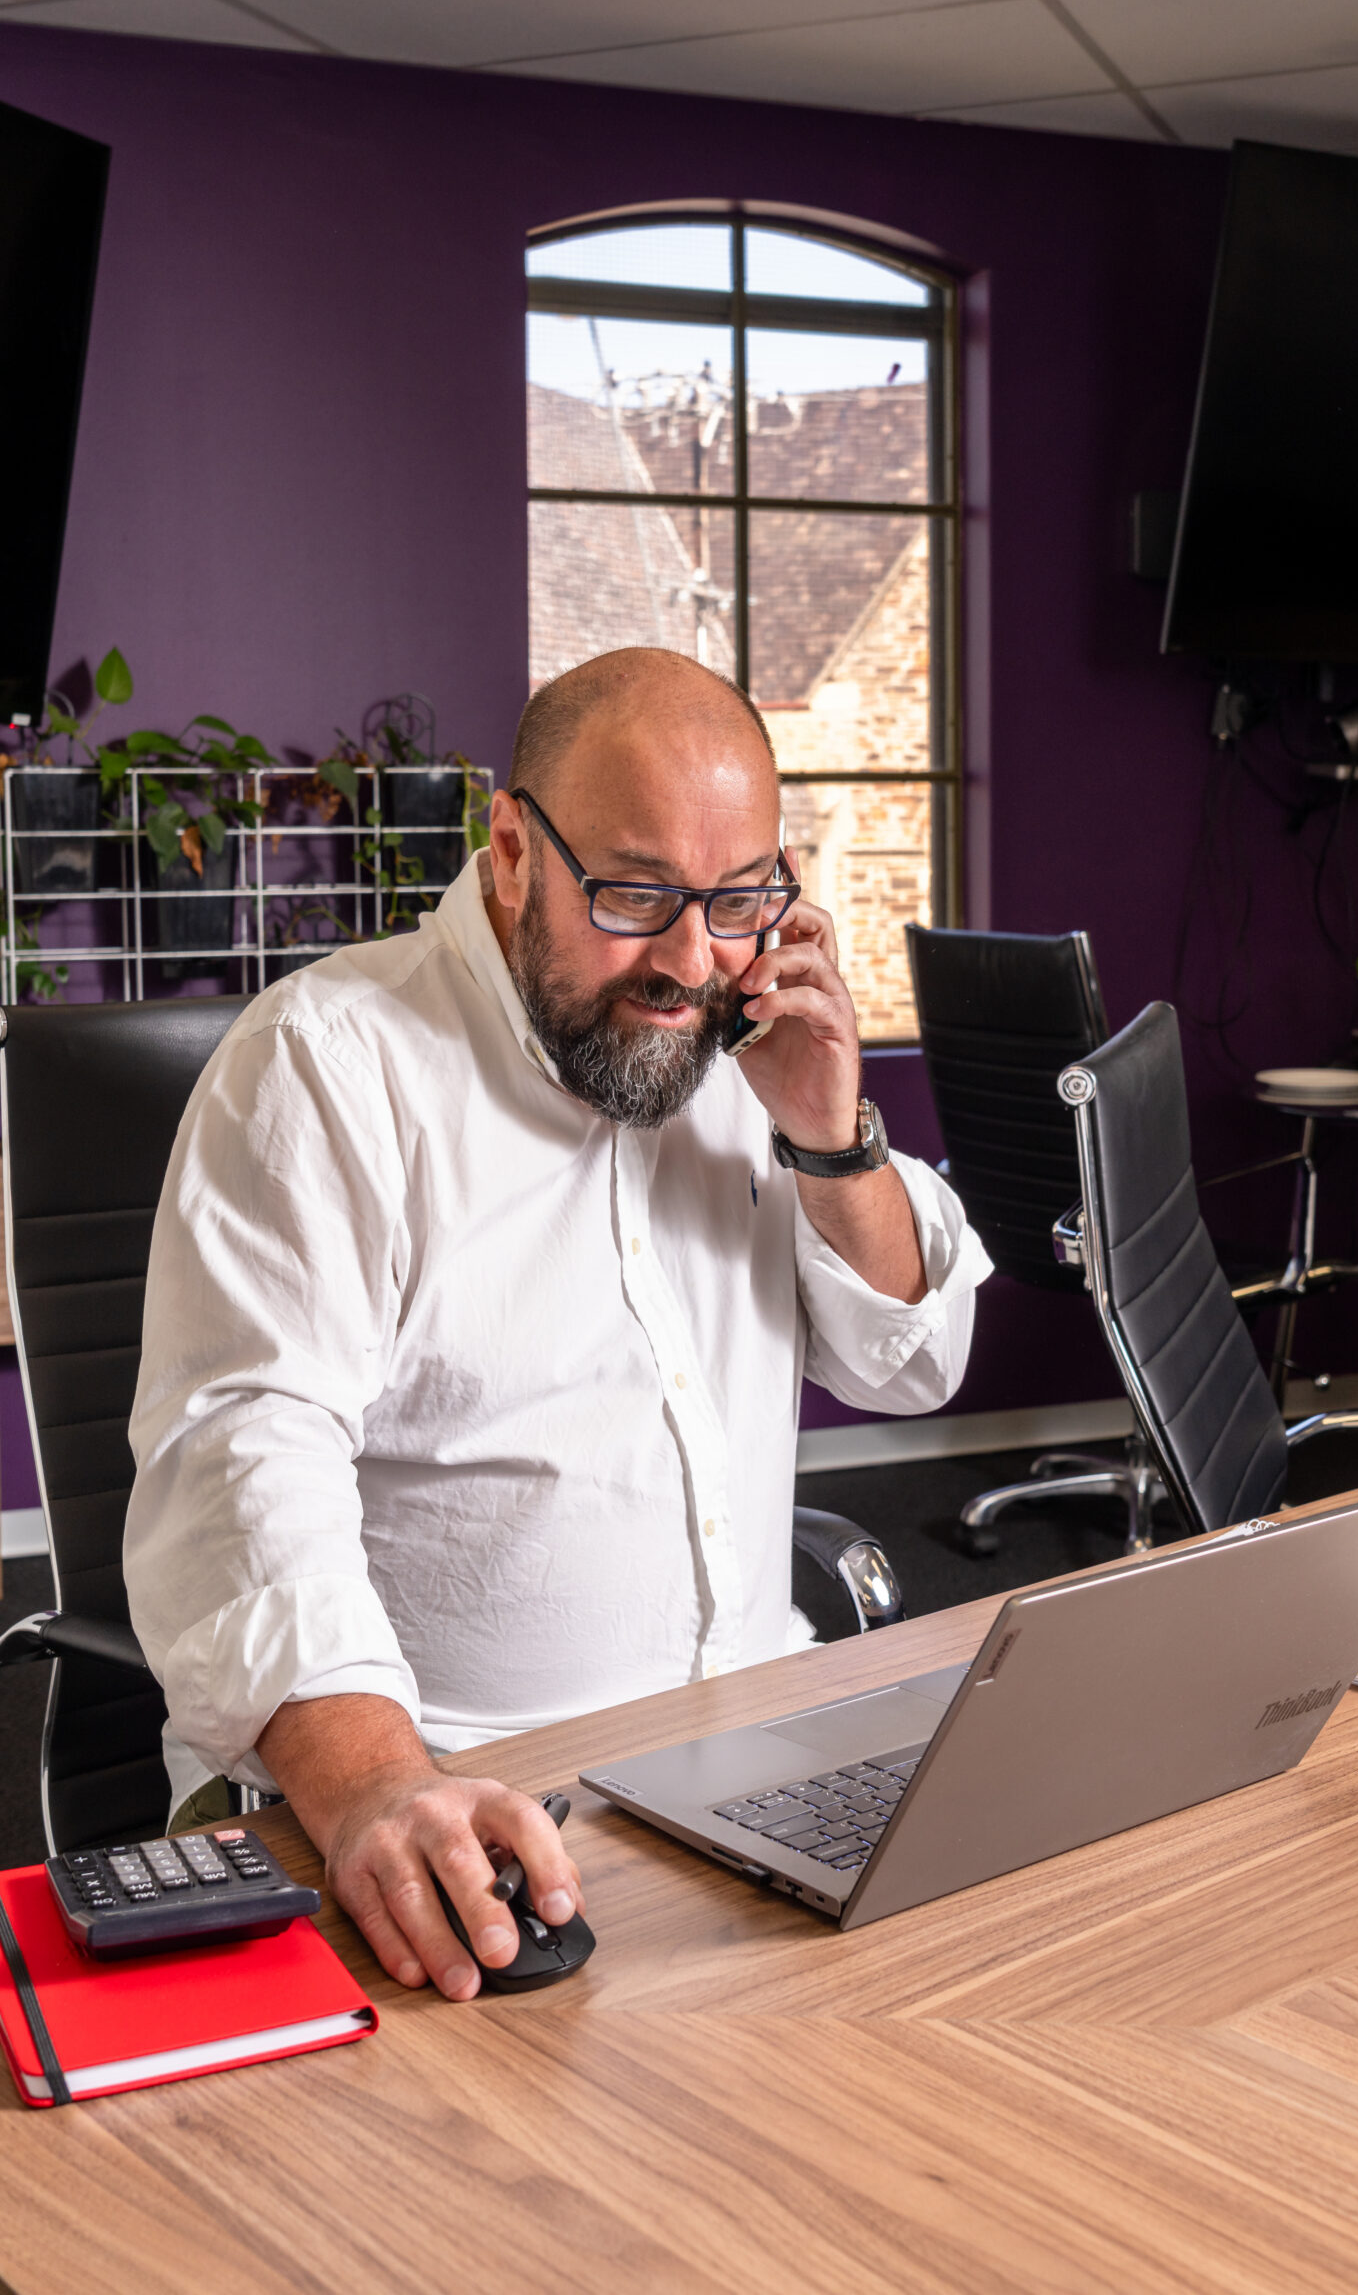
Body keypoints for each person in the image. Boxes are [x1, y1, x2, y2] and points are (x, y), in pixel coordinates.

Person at [124, 648, 987, 1999]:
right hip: (465, 1791)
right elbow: (243, 1455)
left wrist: (831, 1138)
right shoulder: (328, 1065)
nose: (692, 961)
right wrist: (376, 1784)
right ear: (515, 850)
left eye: (741, 898)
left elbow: (911, 1364)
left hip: (757, 1750)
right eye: (636, 894)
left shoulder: (740, 1044)